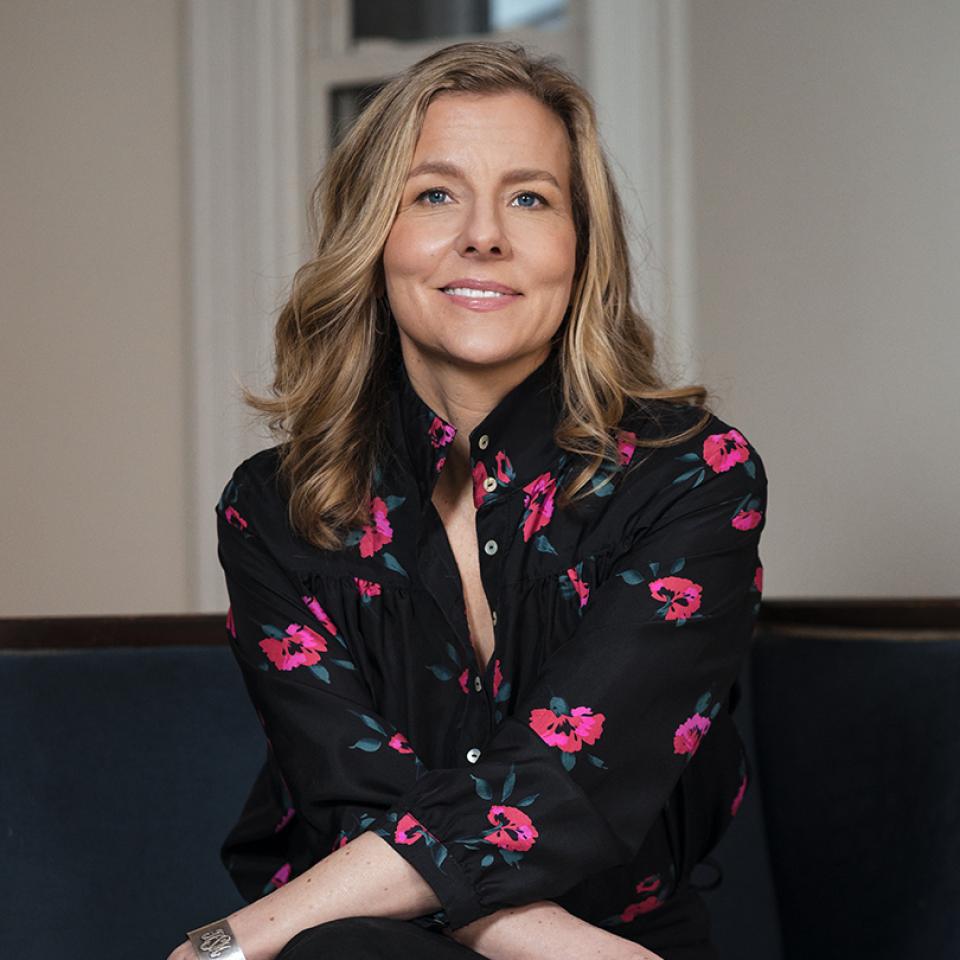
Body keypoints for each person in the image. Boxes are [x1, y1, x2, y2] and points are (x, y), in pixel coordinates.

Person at [167, 40, 767, 960]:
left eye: (530, 198)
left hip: (623, 930)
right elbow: (351, 805)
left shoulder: (693, 477)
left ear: (581, 248)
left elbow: (563, 788)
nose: (484, 235)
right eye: (434, 195)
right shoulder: (274, 510)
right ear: (375, 238)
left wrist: (230, 943)